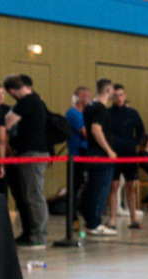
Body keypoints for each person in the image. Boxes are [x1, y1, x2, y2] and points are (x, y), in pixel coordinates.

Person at [3, 74, 49, 248]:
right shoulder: (36, 100)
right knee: (31, 194)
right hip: (34, 152)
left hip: (32, 154)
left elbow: (7, 122)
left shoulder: (26, 102)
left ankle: (39, 236)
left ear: (12, 91)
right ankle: (32, 233)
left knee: (34, 195)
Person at [80, 78, 118, 237]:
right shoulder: (101, 109)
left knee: (92, 187)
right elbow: (96, 129)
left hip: (92, 152)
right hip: (101, 155)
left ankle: (90, 221)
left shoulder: (89, 106)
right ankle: (94, 223)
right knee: (100, 189)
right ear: (108, 90)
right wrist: (109, 150)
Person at [108, 84, 145, 229]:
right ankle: (112, 220)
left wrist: (134, 143)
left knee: (130, 186)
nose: (119, 98)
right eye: (116, 95)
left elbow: (141, 131)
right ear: (112, 97)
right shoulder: (108, 113)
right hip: (114, 154)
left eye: (121, 95)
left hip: (129, 154)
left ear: (125, 95)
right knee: (114, 186)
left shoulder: (132, 113)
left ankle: (133, 219)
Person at [64, 86, 90, 226]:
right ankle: (72, 218)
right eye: (85, 95)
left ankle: (85, 215)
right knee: (74, 187)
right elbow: (86, 133)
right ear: (78, 97)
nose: (88, 99)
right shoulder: (73, 113)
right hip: (77, 154)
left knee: (86, 186)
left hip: (87, 153)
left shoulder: (87, 113)